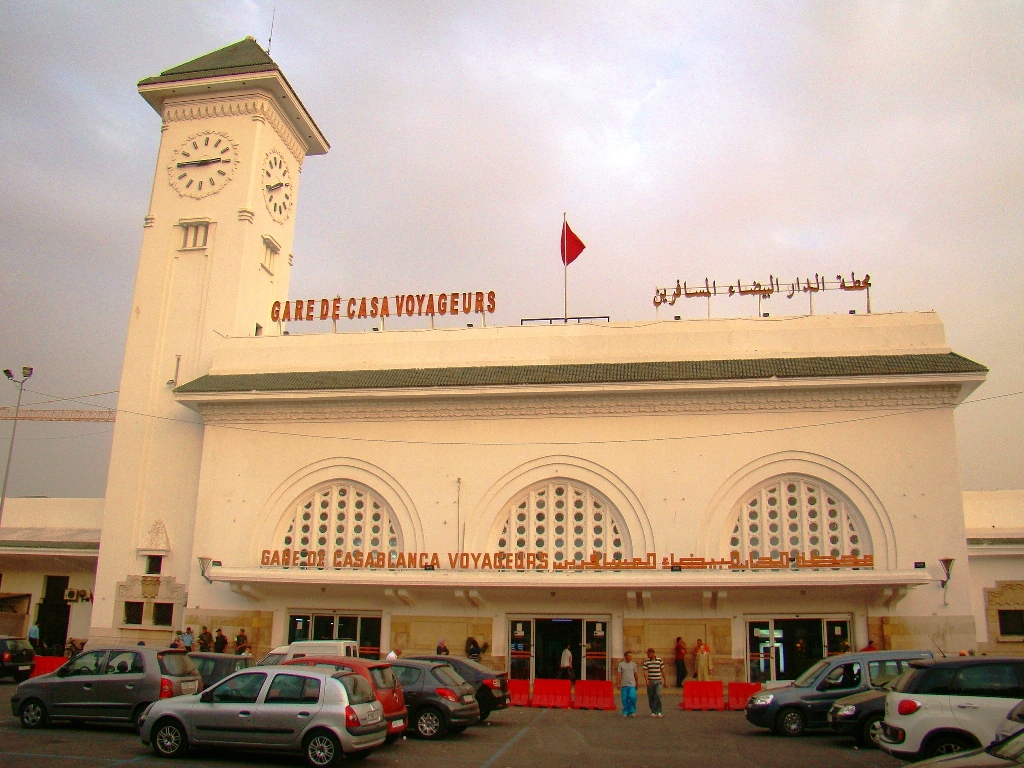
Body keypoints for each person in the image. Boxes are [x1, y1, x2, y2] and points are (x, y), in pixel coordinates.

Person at [642, 647, 665, 717]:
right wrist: (646, 680)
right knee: (651, 696)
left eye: (649, 654)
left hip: (658, 680)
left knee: (658, 694)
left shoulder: (659, 660)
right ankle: (653, 711)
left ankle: (659, 710)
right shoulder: (646, 662)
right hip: (651, 680)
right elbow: (645, 671)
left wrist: (665, 680)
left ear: (653, 653)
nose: (648, 655)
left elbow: (662, 670)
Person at [616, 650, 639, 717]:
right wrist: (618, 683)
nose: (630, 657)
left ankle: (632, 710)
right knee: (624, 699)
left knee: (632, 697)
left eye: (631, 656)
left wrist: (637, 683)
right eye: (629, 656)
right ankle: (625, 711)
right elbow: (619, 674)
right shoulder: (621, 665)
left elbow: (635, 674)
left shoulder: (633, 665)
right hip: (624, 684)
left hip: (632, 684)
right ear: (625, 656)